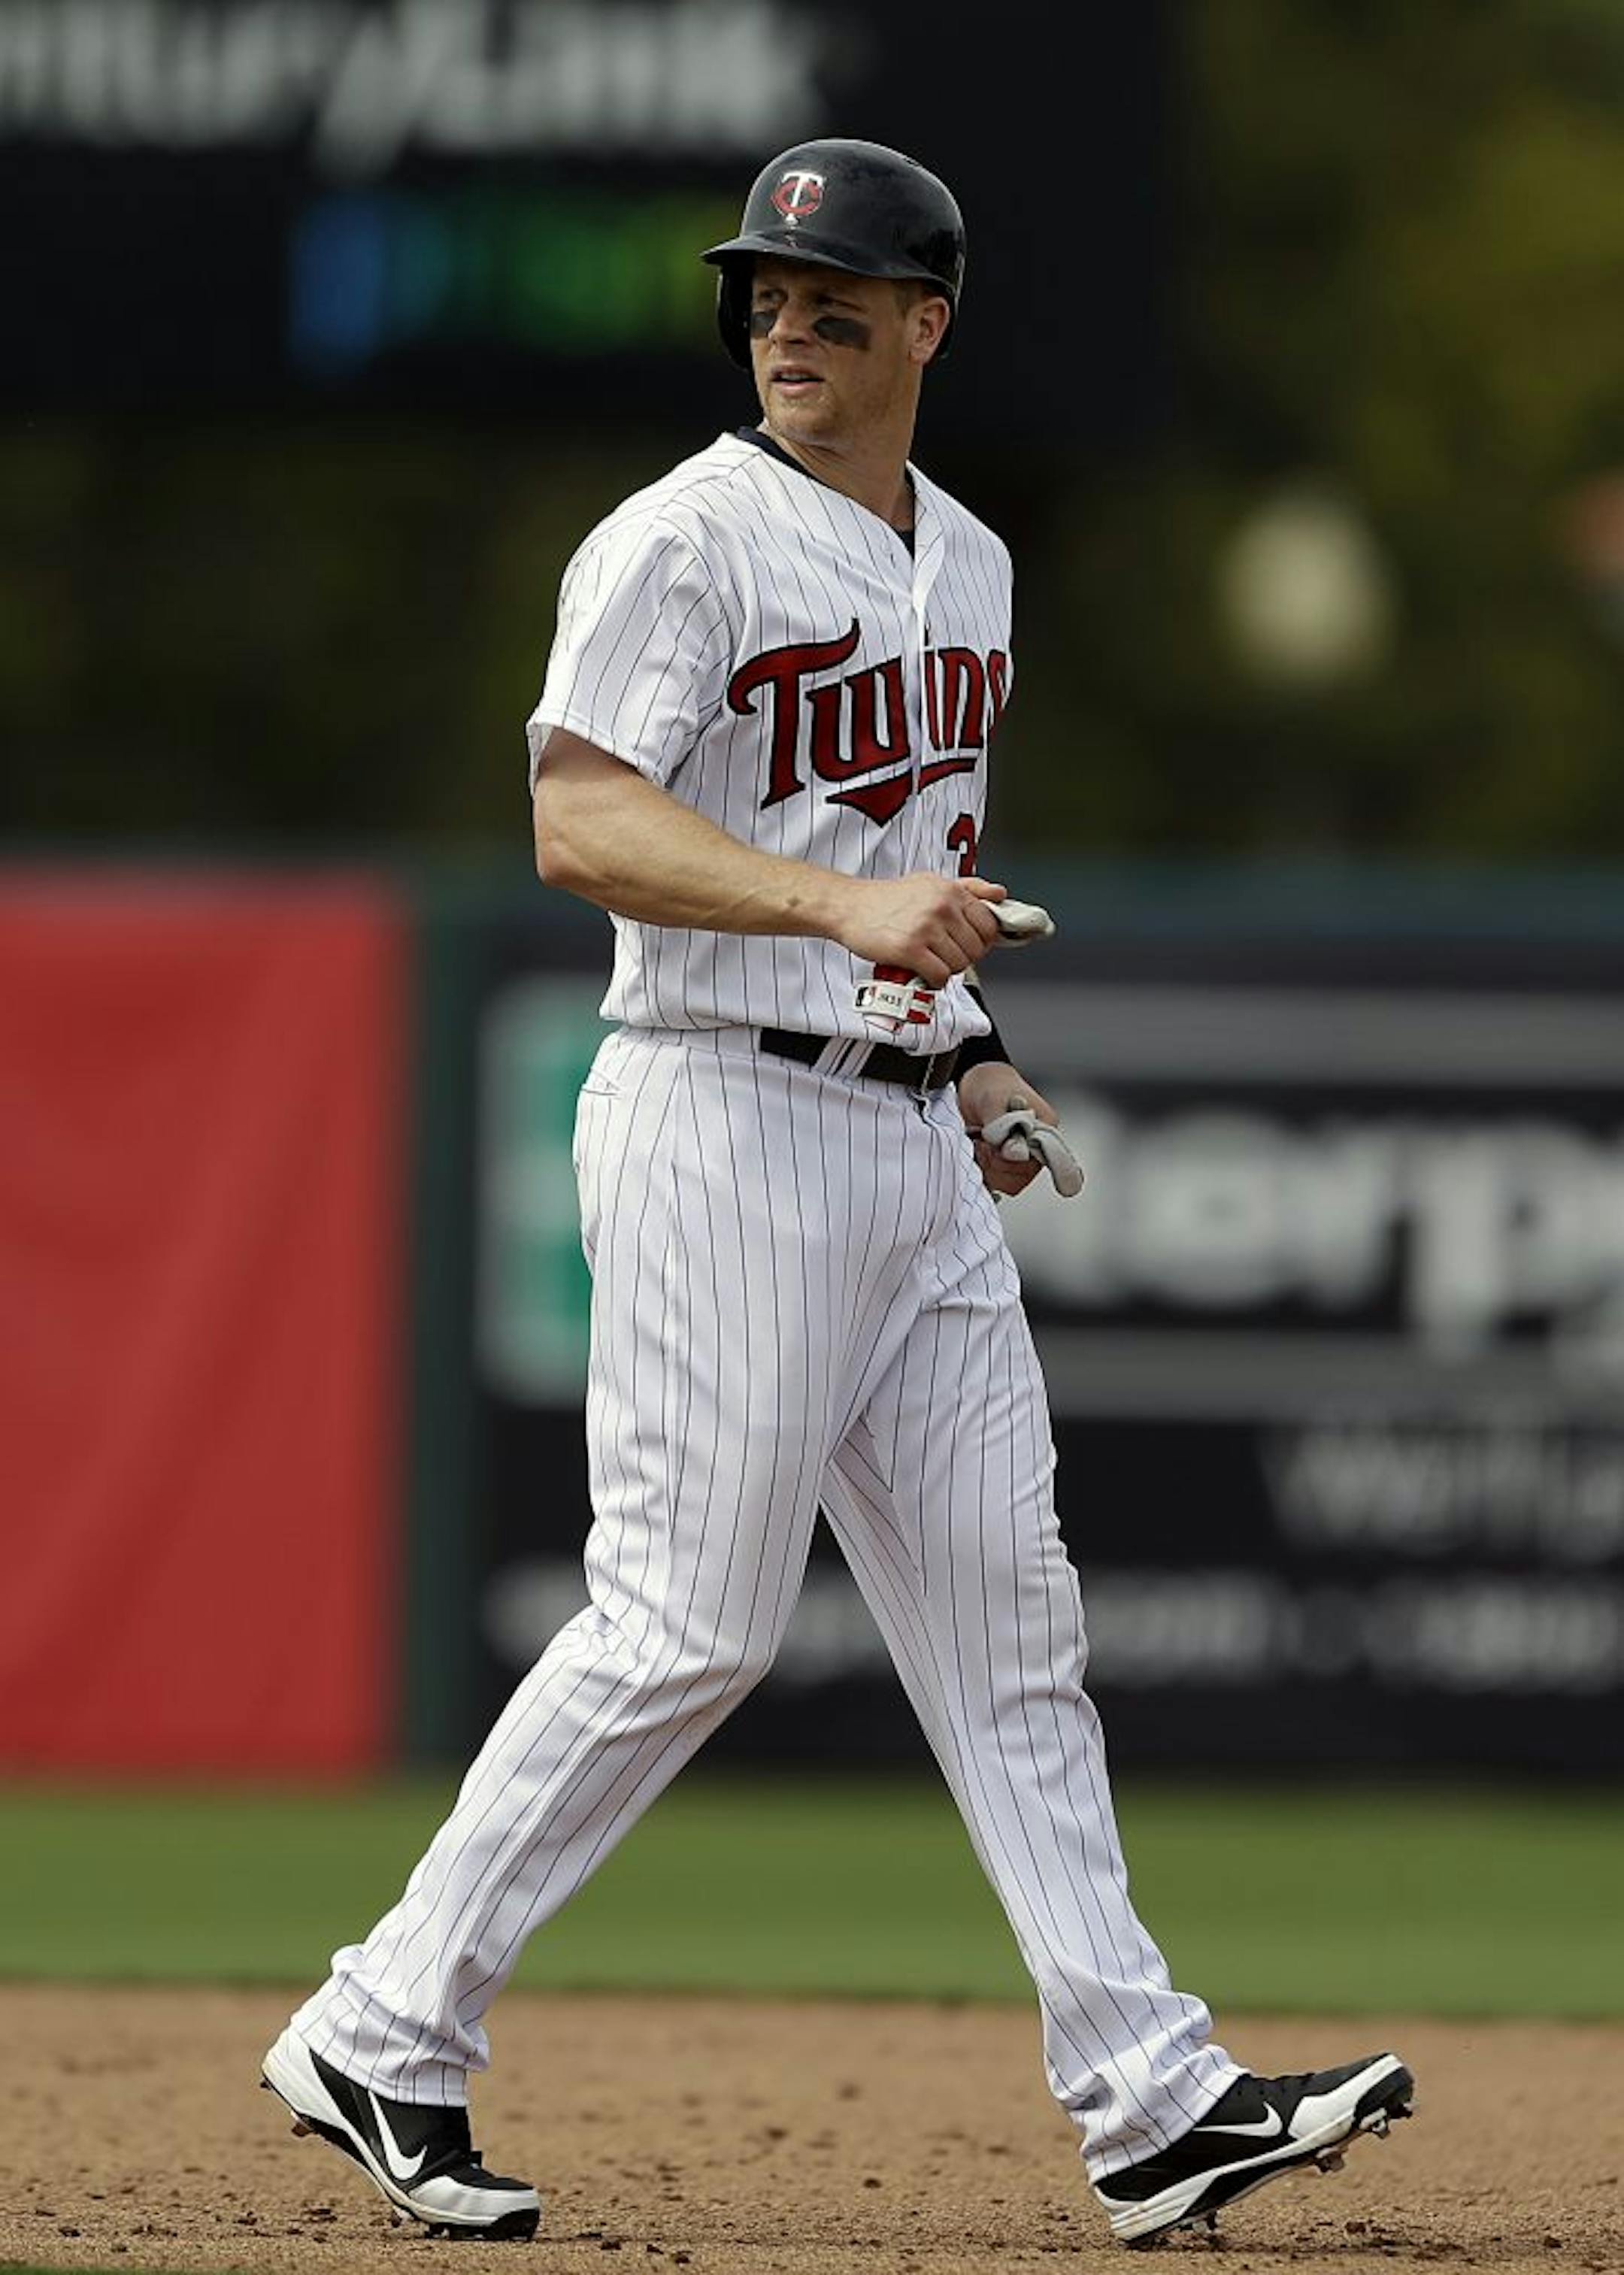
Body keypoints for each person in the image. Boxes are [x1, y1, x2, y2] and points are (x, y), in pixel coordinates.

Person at [261, 138, 1413, 2247]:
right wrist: (838, 913)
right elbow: (582, 824)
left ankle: (1149, 2093)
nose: (790, 323)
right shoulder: (678, 543)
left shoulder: (964, 562)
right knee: (684, 1617)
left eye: (835, 296)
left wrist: (969, 1053)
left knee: (1009, 1626)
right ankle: (382, 2021)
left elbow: (916, 851)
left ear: (926, 325)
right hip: (718, 1108)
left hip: (902, 1138)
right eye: (769, 295)